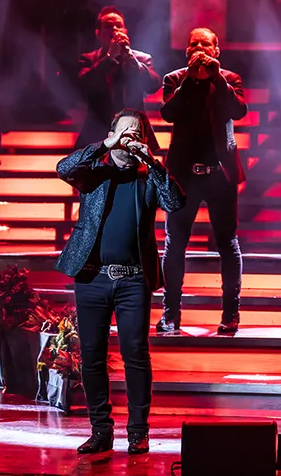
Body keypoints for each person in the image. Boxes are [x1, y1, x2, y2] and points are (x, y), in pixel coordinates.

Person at [55, 109, 185, 455]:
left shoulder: (148, 176)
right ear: (112, 133)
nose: (130, 135)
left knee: (136, 356)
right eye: (123, 130)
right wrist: (104, 146)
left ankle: (138, 432)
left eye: (137, 131)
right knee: (92, 357)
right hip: (92, 277)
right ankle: (101, 431)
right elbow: (63, 168)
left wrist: (155, 163)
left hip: (133, 280)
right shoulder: (94, 173)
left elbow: (176, 202)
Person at [157, 28, 248, 334]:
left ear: (216, 51)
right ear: (186, 51)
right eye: (194, 44)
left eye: (205, 44)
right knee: (175, 244)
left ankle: (231, 312)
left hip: (219, 173)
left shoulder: (230, 80)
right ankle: (171, 313)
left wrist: (216, 77)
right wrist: (190, 81)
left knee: (227, 243)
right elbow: (167, 113)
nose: (199, 48)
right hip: (183, 175)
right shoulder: (174, 79)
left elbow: (238, 110)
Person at [75, 6, 162, 148]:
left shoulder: (142, 58)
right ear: (98, 33)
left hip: (133, 133)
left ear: (125, 31)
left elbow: (153, 85)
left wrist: (131, 59)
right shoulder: (88, 59)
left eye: (118, 26)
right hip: (98, 133)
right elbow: (84, 86)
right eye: (108, 26)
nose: (114, 30)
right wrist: (109, 58)